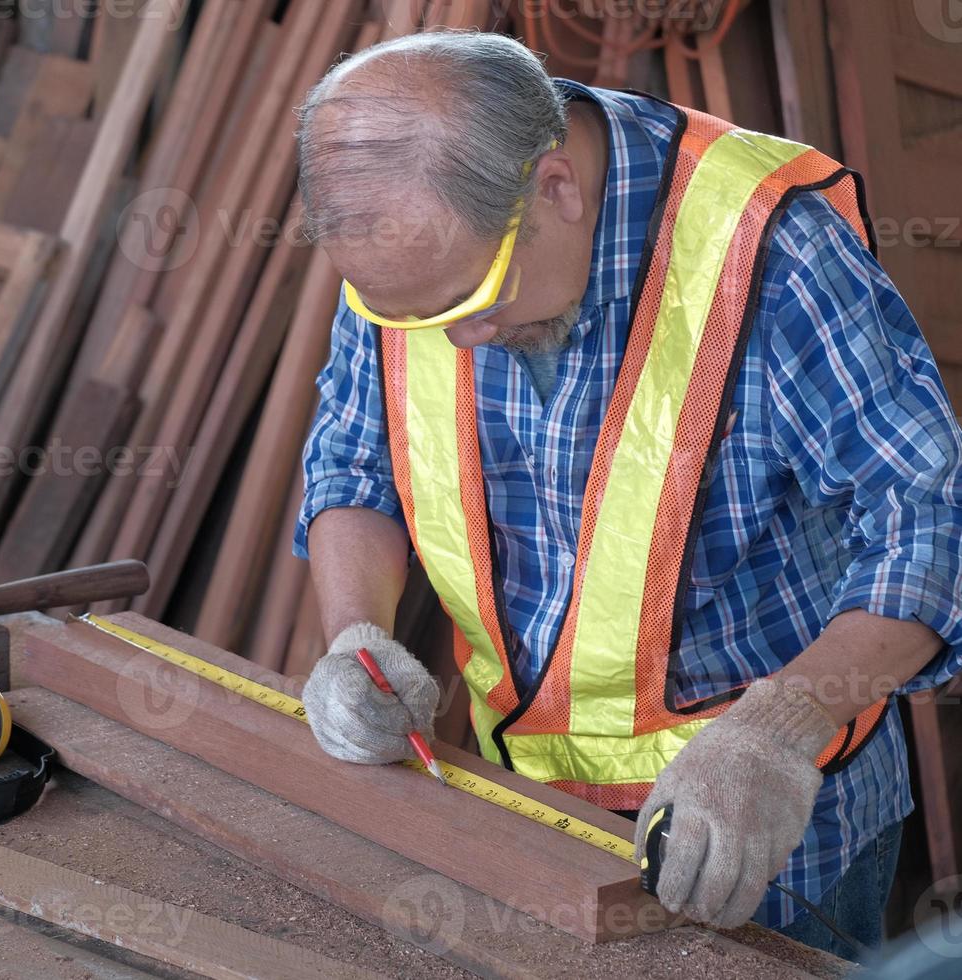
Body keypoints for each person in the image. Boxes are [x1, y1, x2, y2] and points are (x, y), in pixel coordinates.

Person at [291, 30, 962, 955]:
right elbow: (353, 462)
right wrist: (353, 634)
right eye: (405, 316)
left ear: (554, 189)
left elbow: (928, 522)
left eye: (467, 304)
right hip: (518, 805)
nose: (452, 343)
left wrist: (779, 727)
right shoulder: (417, 255)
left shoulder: (769, 250)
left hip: (764, 833)